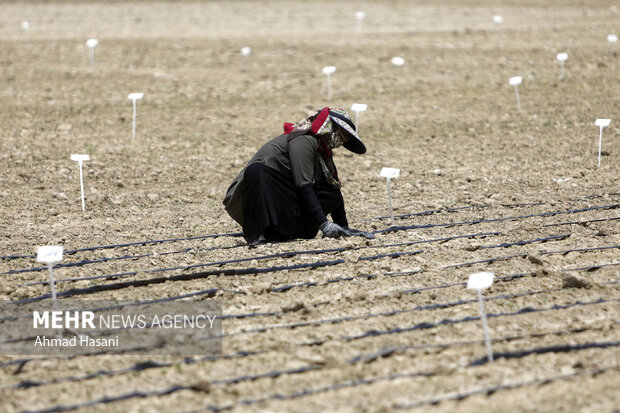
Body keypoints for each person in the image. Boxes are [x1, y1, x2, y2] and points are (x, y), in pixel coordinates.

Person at [223, 107, 374, 246]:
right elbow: (303, 185)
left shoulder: (323, 150)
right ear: (331, 128)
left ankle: (294, 230)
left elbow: (333, 185)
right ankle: (257, 234)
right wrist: (323, 224)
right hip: (267, 196)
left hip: (287, 203)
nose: (344, 140)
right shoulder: (304, 139)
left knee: (330, 191)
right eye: (343, 134)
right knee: (256, 171)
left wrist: (343, 226)